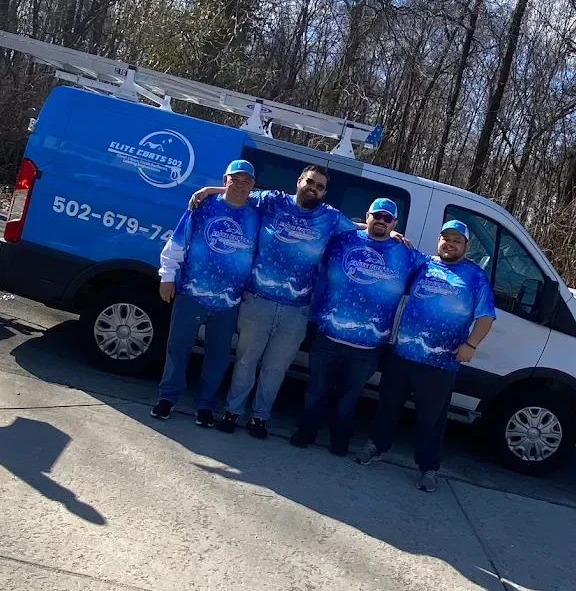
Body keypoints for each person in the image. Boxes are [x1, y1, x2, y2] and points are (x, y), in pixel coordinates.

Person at [189, 165, 358, 439]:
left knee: (276, 369)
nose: (314, 188)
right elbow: (238, 194)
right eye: (310, 182)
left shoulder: (331, 218)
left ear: (324, 192)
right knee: (245, 361)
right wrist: (211, 190)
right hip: (258, 301)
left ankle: (260, 418)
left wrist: (390, 233)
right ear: (299, 181)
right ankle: (233, 411)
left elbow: (362, 231)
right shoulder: (273, 200)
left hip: (297, 310)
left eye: (320, 186)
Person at [357, 219, 496, 491]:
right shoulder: (423, 264)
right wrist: (393, 233)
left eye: (457, 240)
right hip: (402, 355)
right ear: (439, 240)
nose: (450, 244)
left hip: (440, 364)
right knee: (387, 406)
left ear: (466, 246)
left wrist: (471, 345)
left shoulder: (475, 277)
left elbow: (486, 317)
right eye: (446, 238)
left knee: (431, 420)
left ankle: (428, 468)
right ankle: (376, 447)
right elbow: (382, 239)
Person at [291, 199, 426, 456]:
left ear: (395, 223)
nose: (382, 222)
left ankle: (339, 440)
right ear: (368, 215)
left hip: (368, 347)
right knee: (316, 391)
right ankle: (305, 431)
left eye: (388, 219)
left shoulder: (406, 254)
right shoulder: (344, 240)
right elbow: (317, 229)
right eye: (377, 216)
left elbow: (436, 270)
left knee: (349, 399)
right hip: (327, 337)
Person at [151, 159, 259, 427]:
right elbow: (178, 241)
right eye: (236, 179)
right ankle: (168, 398)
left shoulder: (257, 215)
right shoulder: (202, 207)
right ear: (225, 181)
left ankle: (205, 405)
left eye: (247, 181)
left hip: (228, 301)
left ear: (253, 186)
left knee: (219, 356)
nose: (241, 186)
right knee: (178, 347)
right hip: (191, 292)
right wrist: (167, 276)